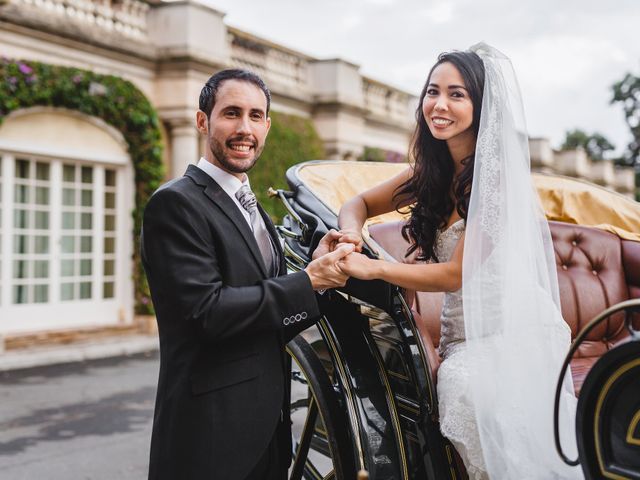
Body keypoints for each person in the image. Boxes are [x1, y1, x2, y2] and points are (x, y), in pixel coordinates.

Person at [337, 44, 582, 479]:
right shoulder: (431, 172)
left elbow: (455, 275)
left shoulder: (496, 182)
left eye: (457, 94)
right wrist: (351, 238)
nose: (440, 105)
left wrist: (374, 267)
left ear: (480, 105)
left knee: (468, 390)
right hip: (461, 335)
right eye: (433, 92)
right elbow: (356, 202)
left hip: (509, 334)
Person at [141, 69, 354, 480]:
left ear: (268, 126)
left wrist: (321, 278)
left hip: (268, 437)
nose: (245, 128)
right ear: (203, 121)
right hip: (208, 440)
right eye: (232, 114)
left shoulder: (252, 206)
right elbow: (207, 312)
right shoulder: (175, 204)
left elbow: (270, 320)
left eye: (256, 116)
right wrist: (307, 281)